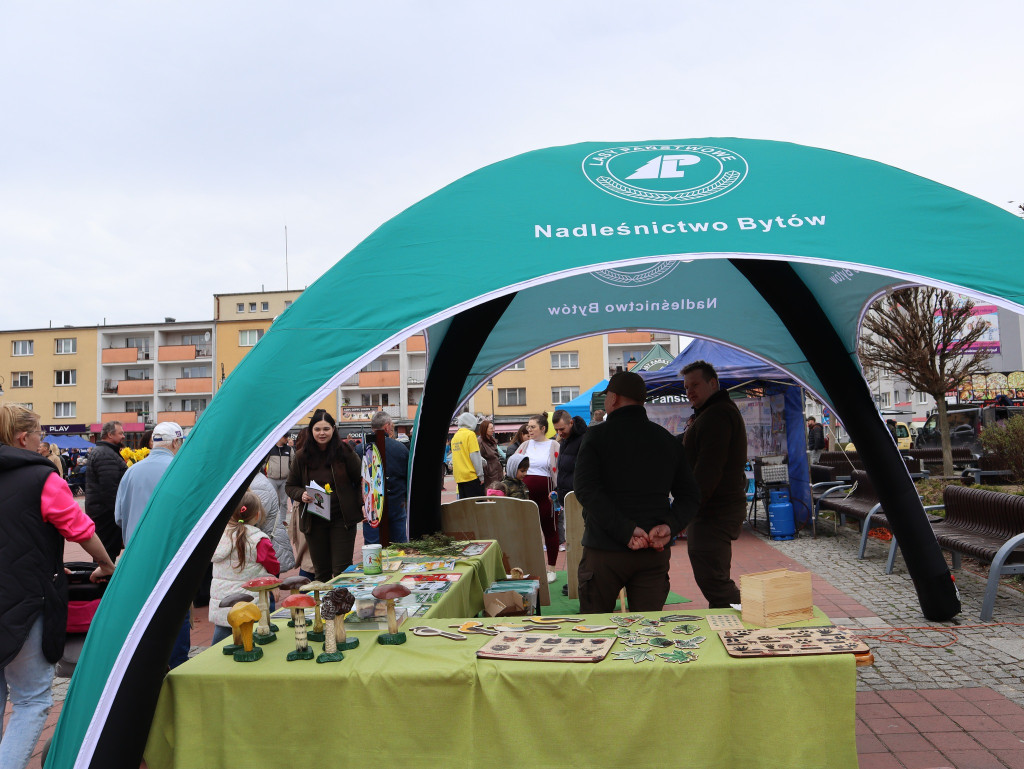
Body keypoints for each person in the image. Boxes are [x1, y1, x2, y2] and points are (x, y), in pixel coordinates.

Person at [0, 403, 115, 769]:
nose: (42, 442)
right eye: (38, 435)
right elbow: (80, 529)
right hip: (23, 601)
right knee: (32, 699)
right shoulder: (40, 477)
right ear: (23, 438)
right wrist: (105, 563)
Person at [573, 372, 699, 613]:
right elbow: (691, 496)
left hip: (604, 551)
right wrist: (670, 526)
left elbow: (586, 490)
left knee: (596, 631)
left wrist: (625, 529)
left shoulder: (597, 437)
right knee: (649, 632)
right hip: (653, 551)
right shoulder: (667, 440)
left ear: (615, 398)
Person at [113, 421, 192, 667]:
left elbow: (118, 517)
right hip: (171, 556)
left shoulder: (131, 471)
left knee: (142, 615)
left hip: (136, 557)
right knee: (176, 613)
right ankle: (176, 667)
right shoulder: (181, 470)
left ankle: (144, 665)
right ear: (177, 443)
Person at [681, 360, 749, 608]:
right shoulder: (709, 413)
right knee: (714, 578)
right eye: (686, 387)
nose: (690, 391)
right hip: (714, 509)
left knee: (715, 582)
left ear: (713, 383)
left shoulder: (717, 414)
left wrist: (685, 511)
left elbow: (708, 471)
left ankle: (754, 617)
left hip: (713, 511)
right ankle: (732, 625)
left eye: (695, 385)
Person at [286, 409, 363, 581]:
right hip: (314, 520)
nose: (322, 433)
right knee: (321, 572)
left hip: (341, 520)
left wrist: (361, 504)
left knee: (342, 570)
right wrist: (301, 494)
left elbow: (361, 480)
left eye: (326, 429)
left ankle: (343, 606)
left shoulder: (345, 452)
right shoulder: (301, 456)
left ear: (333, 429)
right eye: (317, 429)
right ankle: (325, 607)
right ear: (311, 430)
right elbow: (290, 486)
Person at [209, 491, 280, 645]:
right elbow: (273, 566)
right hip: (250, 603)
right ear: (257, 515)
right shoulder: (258, 539)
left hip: (223, 603)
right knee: (255, 638)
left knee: (221, 641)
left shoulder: (220, 536)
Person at [513, 412, 559, 579]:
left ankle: (552, 569)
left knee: (550, 529)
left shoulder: (554, 445)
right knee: (526, 531)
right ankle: (526, 566)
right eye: (528, 427)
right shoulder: (524, 446)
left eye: (532, 427)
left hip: (547, 495)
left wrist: (558, 492)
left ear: (543, 428)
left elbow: (559, 471)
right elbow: (513, 465)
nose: (529, 429)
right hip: (525, 495)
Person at [362, 411, 410, 543]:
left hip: (370, 507)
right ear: (387, 426)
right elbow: (407, 477)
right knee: (399, 546)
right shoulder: (400, 448)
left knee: (373, 546)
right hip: (395, 504)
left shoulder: (361, 449)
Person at [85, 420, 128, 559]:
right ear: (110, 434)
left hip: (101, 512)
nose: (123, 436)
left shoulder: (104, 452)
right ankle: (104, 579)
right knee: (107, 553)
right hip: (106, 515)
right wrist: (120, 513)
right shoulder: (106, 454)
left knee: (105, 552)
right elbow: (110, 489)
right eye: (120, 433)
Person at [553, 409, 588, 551]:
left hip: (579, 499)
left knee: (578, 542)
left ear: (571, 423)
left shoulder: (584, 439)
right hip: (568, 498)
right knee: (572, 542)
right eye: (557, 430)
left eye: (562, 429)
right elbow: (564, 471)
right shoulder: (565, 441)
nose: (559, 433)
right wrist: (557, 490)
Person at [248, 471, 296, 574]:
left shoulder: (257, 486)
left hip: (269, 546)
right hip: (266, 546)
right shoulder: (253, 482)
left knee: (269, 585)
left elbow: (252, 519)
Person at [451, 412, 485, 499]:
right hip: (471, 477)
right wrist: (481, 476)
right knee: (478, 507)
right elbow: (475, 456)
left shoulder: (455, 437)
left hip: (459, 478)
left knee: (465, 508)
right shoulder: (470, 435)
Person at [264, 434, 293, 522]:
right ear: (279, 437)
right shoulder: (270, 448)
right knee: (271, 500)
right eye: (285, 437)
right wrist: (263, 474)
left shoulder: (289, 449)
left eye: (287, 437)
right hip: (272, 479)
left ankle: (282, 521)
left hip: (285, 479)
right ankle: (271, 521)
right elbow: (264, 462)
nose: (287, 439)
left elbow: (293, 463)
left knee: (284, 502)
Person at [477, 419, 503, 489]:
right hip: (489, 476)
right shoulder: (480, 442)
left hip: (497, 473)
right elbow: (478, 459)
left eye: (493, 428)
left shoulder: (492, 440)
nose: (493, 430)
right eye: (491, 428)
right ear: (485, 429)